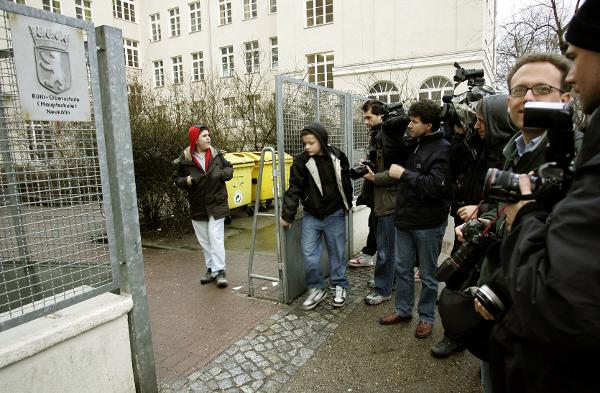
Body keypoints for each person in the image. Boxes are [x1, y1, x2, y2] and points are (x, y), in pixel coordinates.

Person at [481, 2, 600, 392]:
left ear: (567, 97)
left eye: (543, 89)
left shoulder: (581, 157)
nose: (527, 97)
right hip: (505, 312)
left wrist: (523, 212)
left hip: (542, 335)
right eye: (519, 90)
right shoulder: (512, 148)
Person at [432, 95, 516, 359]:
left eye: (481, 120)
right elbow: (457, 163)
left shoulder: (510, 154)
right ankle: (457, 333)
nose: (476, 126)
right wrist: (460, 132)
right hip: (469, 223)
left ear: (497, 122)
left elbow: (508, 197)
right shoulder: (479, 143)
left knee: (481, 286)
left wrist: (480, 209)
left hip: (489, 229)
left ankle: (472, 336)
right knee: (458, 279)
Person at [379, 100, 451, 340]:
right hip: (405, 220)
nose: (410, 125)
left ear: (429, 125)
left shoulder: (443, 148)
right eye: (409, 120)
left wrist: (405, 174)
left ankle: (427, 317)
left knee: (428, 275)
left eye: (415, 121)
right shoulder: (413, 143)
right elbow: (390, 144)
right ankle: (403, 310)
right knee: (402, 269)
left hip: (429, 223)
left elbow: (435, 186)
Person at [280, 122, 353, 310]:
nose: (306, 147)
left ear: (321, 140)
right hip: (312, 215)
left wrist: (347, 204)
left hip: (334, 214)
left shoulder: (337, 156)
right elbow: (294, 188)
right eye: (304, 143)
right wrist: (287, 215)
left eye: (311, 143)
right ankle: (316, 288)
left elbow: (345, 182)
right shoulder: (301, 161)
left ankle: (339, 286)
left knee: (337, 253)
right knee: (309, 253)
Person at [360, 99, 409, 305]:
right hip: (384, 199)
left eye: (369, 117)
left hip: (389, 200)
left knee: (386, 249)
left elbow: (397, 171)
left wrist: (375, 177)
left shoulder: (390, 136)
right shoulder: (382, 136)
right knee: (389, 247)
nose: (366, 122)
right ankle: (389, 281)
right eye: (364, 118)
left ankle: (383, 289)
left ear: (382, 116)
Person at [173, 124, 233, 288]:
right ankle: (212, 270)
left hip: (217, 202)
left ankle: (220, 271)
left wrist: (221, 174)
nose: (208, 138)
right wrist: (187, 180)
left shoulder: (216, 154)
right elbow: (176, 179)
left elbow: (229, 169)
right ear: (195, 139)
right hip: (198, 205)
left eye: (209, 135)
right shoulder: (185, 158)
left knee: (215, 237)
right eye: (204, 136)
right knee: (205, 240)